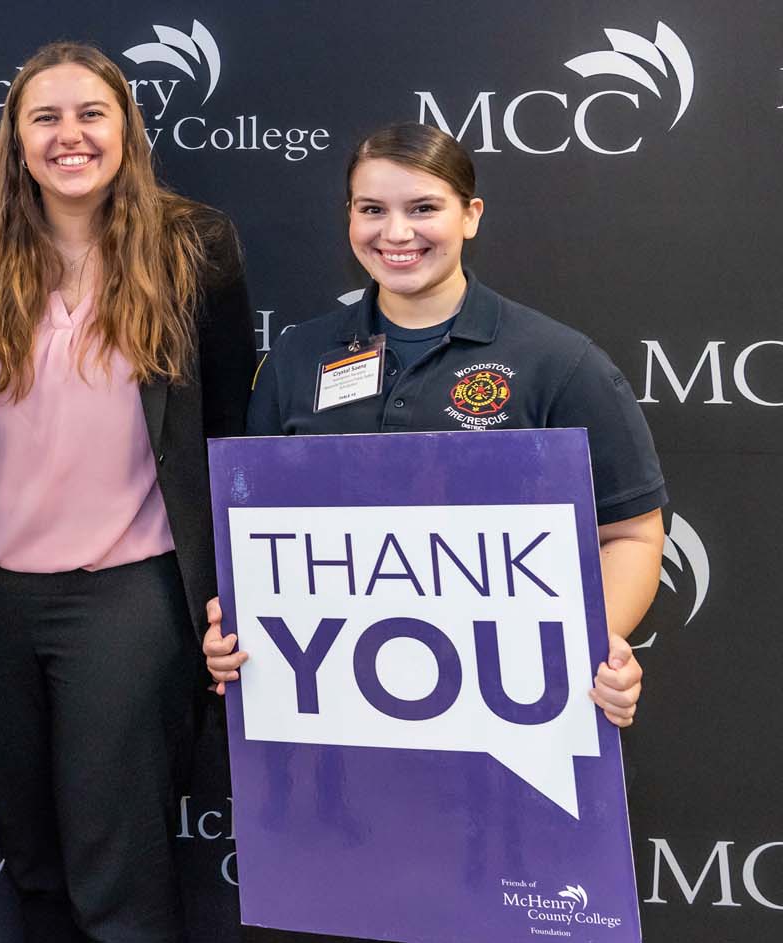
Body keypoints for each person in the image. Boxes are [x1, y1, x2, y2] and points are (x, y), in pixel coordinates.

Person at [203, 122, 664, 943]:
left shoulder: (557, 361)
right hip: (332, 751)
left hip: (501, 741)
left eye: (424, 207)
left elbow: (630, 530)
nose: (396, 232)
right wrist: (229, 629)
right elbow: (255, 536)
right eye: (371, 209)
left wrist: (598, 648)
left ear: (472, 213)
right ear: (348, 219)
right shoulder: (301, 357)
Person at [0, 41, 255, 943]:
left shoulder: (197, 242)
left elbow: (228, 425)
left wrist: (238, 587)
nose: (70, 136)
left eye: (91, 114)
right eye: (46, 117)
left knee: (120, 876)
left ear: (126, 129)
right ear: (16, 139)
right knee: (34, 867)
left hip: (130, 594)